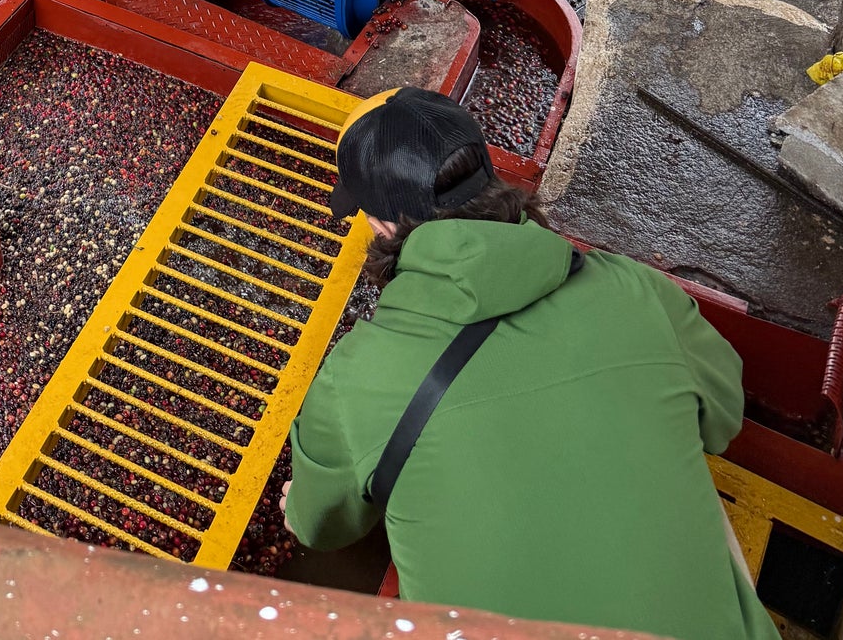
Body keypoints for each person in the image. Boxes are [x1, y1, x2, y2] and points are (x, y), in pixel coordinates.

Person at [285, 87, 776, 640]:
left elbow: (317, 526)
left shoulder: (356, 376)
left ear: (381, 227)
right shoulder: (633, 289)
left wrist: (301, 502)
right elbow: (723, 417)